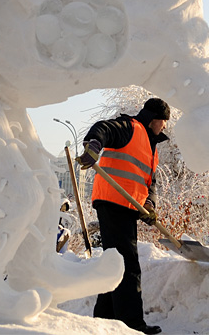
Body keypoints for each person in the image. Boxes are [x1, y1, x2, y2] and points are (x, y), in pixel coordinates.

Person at [77, 97, 171, 335]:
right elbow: (103, 128)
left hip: (126, 206)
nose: (165, 127)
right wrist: (94, 145)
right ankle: (132, 324)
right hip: (112, 200)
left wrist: (150, 204)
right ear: (154, 119)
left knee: (116, 261)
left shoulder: (152, 148)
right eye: (164, 122)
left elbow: (150, 183)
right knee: (128, 263)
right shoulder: (130, 128)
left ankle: (105, 318)